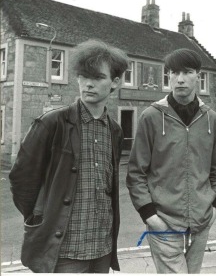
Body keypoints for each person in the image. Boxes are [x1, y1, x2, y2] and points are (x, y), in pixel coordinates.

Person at [9, 39, 129, 273]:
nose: (88, 84)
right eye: (83, 77)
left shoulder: (115, 130)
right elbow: (21, 179)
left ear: (115, 82)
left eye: (97, 78)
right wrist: (40, 217)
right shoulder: (52, 123)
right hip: (64, 250)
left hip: (102, 248)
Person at [126, 48, 216, 274]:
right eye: (174, 73)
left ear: (198, 76)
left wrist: (215, 207)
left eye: (187, 72)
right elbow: (136, 173)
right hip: (164, 224)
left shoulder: (211, 118)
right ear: (168, 76)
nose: (180, 79)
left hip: (201, 224)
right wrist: (150, 216)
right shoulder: (151, 117)